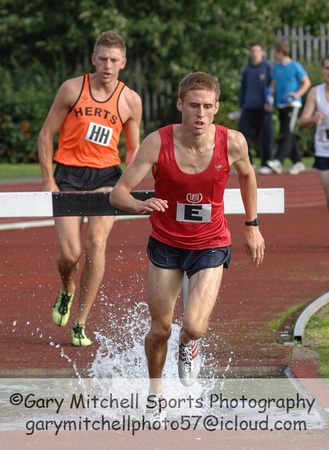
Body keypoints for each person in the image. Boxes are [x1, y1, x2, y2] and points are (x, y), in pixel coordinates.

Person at [110, 72, 265, 420]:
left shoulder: (233, 142)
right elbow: (118, 192)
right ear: (180, 105)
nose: (200, 113)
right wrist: (138, 205)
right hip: (166, 243)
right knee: (161, 327)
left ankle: (189, 345)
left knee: (193, 326)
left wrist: (252, 226)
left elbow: (248, 174)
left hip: (210, 243)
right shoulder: (157, 143)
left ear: (217, 108)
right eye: (194, 105)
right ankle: (155, 390)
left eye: (208, 107)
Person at [38, 30, 142, 347]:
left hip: (106, 178)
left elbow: (135, 150)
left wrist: (127, 185)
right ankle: (67, 287)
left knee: (96, 242)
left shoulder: (130, 100)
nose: (107, 65)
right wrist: (48, 180)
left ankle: (80, 322)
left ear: (122, 63)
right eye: (103, 59)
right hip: (68, 175)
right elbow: (45, 135)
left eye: (114, 60)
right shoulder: (72, 89)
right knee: (70, 254)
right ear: (93, 59)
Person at [266, 41, 311, 175]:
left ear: (280, 52)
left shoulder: (295, 66)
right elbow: (273, 84)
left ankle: (278, 160)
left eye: (275, 52)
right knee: (288, 132)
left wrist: (297, 94)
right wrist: (269, 97)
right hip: (280, 104)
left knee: (287, 132)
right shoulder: (277, 67)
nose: (274, 55)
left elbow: (306, 82)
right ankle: (298, 162)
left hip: (292, 104)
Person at [238, 42, 274, 174]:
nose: (254, 53)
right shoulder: (247, 68)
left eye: (257, 51)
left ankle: (266, 162)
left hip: (263, 107)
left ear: (262, 52)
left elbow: (273, 84)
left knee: (265, 135)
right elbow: (243, 87)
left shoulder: (268, 66)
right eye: (252, 51)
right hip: (248, 106)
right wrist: (241, 104)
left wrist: (269, 101)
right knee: (243, 133)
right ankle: (249, 162)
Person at [300, 55, 329, 211]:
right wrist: (313, 118)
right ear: (323, 70)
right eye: (327, 68)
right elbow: (302, 121)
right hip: (324, 150)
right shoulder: (315, 92)